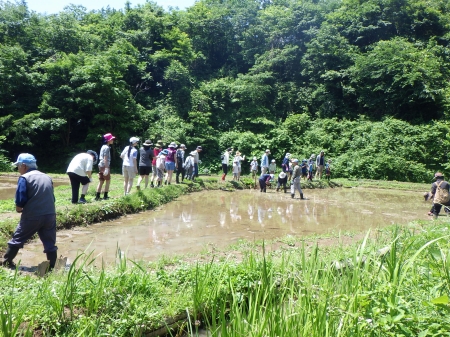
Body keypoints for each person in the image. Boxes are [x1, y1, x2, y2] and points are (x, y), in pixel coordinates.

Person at [2, 154, 57, 270]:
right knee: (50, 242)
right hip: (50, 214)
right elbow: (53, 197)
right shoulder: (47, 177)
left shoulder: (25, 178)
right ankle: (53, 266)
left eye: (18, 166)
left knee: (17, 238)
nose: (18, 169)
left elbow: (20, 199)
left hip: (33, 215)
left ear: (24, 166)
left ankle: (7, 263)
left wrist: (19, 208)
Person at [95, 133, 115, 201]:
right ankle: (105, 196)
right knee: (108, 180)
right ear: (108, 140)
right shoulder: (106, 147)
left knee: (101, 181)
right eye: (111, 139)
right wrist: (106, 168)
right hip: (104, 165)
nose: (113, 140)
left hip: (100, 165)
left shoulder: (103, 146)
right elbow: (105, 158)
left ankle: (97, 196)